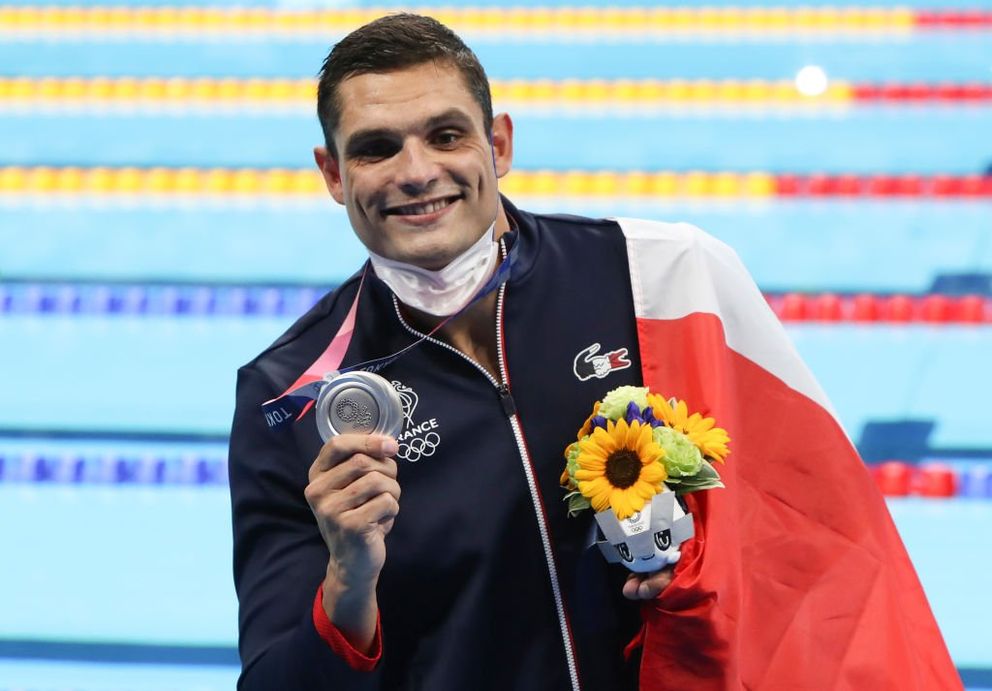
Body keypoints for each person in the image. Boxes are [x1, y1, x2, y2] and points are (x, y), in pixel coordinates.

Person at [229, 12, 960, 691]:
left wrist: (698, 571)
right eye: (377, 148)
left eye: (446, 135)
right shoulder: (287, 397)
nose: (416, 171)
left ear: (500, 144)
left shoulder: (661, 280)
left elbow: (818, 540)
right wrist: (348, 584)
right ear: (333, 173)